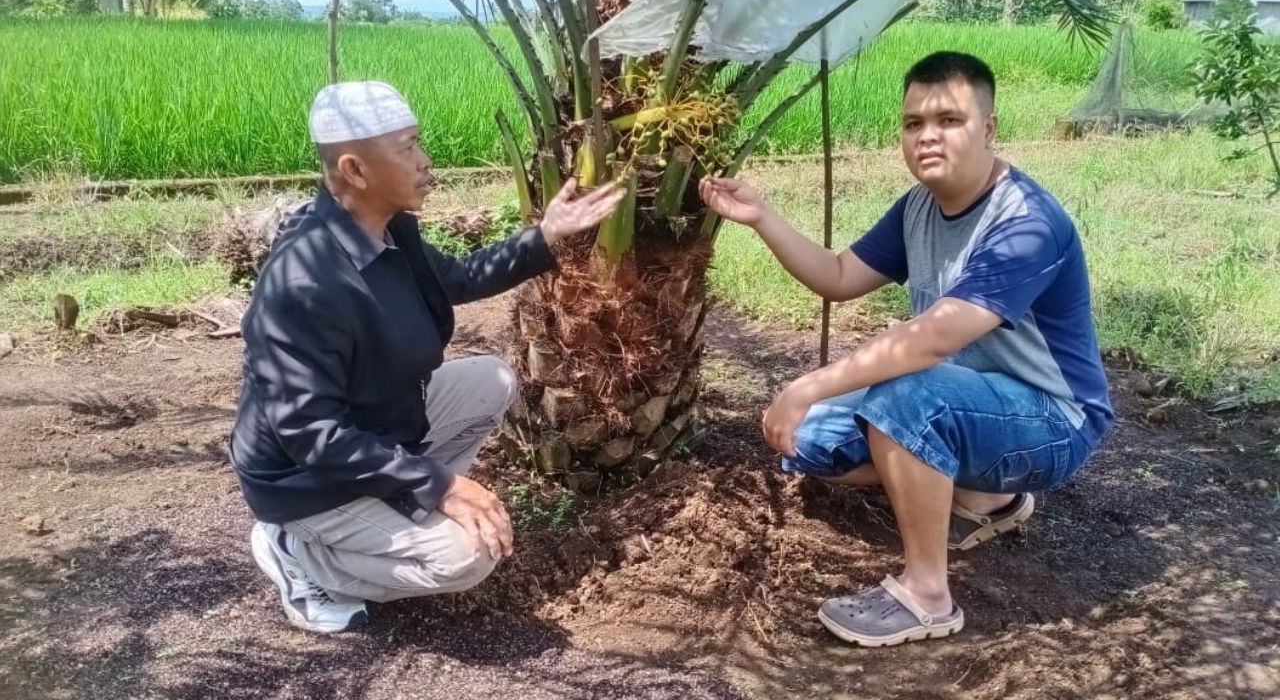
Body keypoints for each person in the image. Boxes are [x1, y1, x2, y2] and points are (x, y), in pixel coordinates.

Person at [699, 52, 1114, 647]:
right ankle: (985, 495)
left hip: (1054, 421)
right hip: (970, 401)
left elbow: (933, 340)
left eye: (948, 120)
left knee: (907, 397)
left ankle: (927, 597)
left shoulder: (1026, 224)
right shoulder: (918, 207)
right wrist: (762, 216)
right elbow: (840, 276)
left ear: (990, 129)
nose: (927, 136)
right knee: (810, 439)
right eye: (914, 123)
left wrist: (807, 383)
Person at [229, 81, 624, 633]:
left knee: (490, 379)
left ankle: (394, 509)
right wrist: (441, 484)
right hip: (307, 478)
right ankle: (299, 554)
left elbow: (457, 278)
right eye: (409, 148)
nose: (425, 163)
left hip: (377, 425)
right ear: (355, 170)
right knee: (468, 557)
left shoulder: (390, 231)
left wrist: (547, 234)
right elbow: (310, 432)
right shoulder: (304, 284)